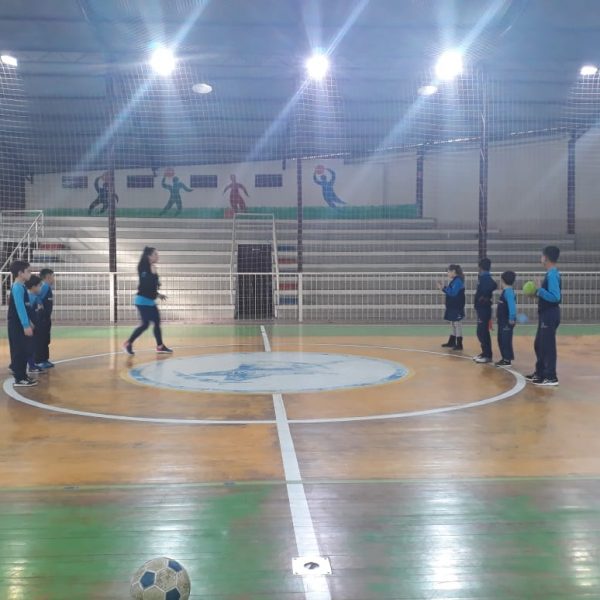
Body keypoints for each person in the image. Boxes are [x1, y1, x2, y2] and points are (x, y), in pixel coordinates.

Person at [123, 247, 172, 356]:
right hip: (142, 301)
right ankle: (128, 343)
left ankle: (160, 346)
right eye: (155, 254)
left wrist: (158, 294)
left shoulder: (152, 267)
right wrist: (153, 275)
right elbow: (145, 285)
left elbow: (152, 286)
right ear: (149, 256)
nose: (157, 256)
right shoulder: (143, 267)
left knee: (156, 321)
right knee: (145, 324)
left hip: (150, 301)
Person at [526, 246, 561, 386]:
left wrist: (540, 290)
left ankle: (551, 376)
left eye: (542, 256)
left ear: (546, 258)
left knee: (547, 345)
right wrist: (536, 294)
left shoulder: (552, 274)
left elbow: (555, 297)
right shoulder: (550, 273)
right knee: (539, 344)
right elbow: (548, 296)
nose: (540, 258)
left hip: (550, 314)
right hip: (546, 313)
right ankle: (540, 373)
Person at [7, 260, 37, 387]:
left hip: (20, 323)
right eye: (28, 271)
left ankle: (23, 375)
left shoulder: (22, 286)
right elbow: (20, 308)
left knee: (24, 349)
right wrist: (25, 325)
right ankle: (19, 378)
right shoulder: (17, 287)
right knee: (19, 350)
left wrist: (29, 322)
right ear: (20, 273)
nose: (30, 273)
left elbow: (25, 307)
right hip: (17, 324)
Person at [473, 257, 498, 364]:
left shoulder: (485, 278)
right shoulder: (483, 277)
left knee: (482, 332)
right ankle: (484, 352)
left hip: (484, 309)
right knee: (481, 332)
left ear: (480, 267)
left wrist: (484, 297)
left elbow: (493, 285)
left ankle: (487, 355)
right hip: (482, 308)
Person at [438, 264, 465, 351]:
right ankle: (452, 341)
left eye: (448, 272)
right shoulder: (454, 281)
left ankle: (459, 344)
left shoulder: (458, 281)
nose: (448, 273)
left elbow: (453, 293)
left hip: (457, 306)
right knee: (453, 323)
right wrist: (443, 288)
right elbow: (450, 291)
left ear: (453, 271)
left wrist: (443, 288)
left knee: (457, 324)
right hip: (453, 306)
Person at [495, 271, 517, 367]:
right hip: (502, 321)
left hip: (507, 321)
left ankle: (507, 360)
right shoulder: (505, 291)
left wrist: (511, 318)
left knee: (505, 340)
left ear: (502, 280)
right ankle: (504, 358)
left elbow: (512, 307)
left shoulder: (509, 292)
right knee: (501, 339)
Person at [34, 268, 55, 369]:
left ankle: (44, 359)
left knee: (45, 339)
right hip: (41, 318)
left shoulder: (46, 287)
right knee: (41, 340)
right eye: (53, 276)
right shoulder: (44, 287)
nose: (54, 279)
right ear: (48, 277)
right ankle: (39, 360)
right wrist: (40, 305)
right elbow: (35, 296)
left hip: (46, 318)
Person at [25, 275, 45, 375]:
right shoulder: (30, 298)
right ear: (33, 287)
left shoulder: (36, 297)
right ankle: (31, 366)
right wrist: (29, 323)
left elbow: (39, 309)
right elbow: (27, 312)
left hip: (36, 325)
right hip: (31, 326)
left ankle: (32, 364)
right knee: (30, 346)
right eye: (39, 286)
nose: (41, 288)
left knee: (33, 345)